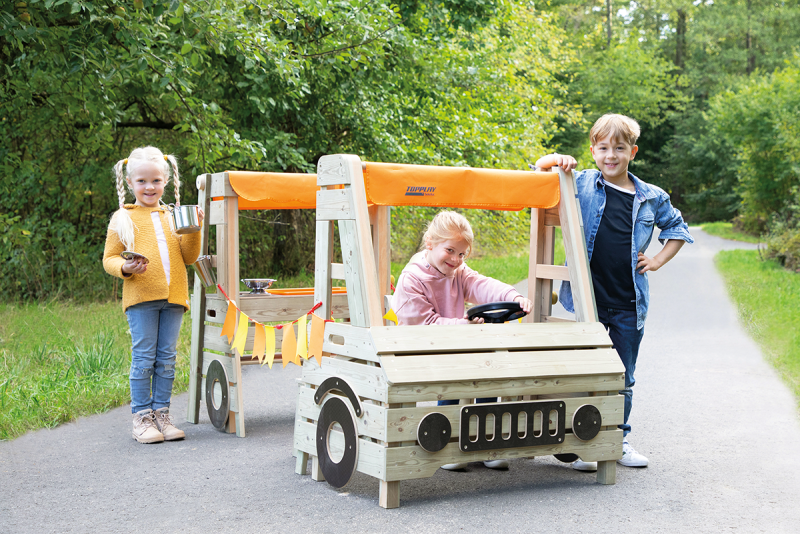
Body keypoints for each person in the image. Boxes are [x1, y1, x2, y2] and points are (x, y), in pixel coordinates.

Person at [534, 113, 694, 471]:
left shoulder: (651, 197)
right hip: (588, 301)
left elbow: (678, 229)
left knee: (623, 375)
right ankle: (583, 444)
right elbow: (537, 175)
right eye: (603, 148)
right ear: (593, 151)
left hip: (628, 303)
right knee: (586, 372)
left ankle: (616, 440)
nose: (611, 155)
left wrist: (656, 260)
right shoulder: (582, 182)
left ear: (632, 152)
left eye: (619, 148)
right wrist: (553, 161)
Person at [391, 210, 532, 470]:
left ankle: (486, 441)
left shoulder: (458, 271)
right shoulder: (412, 279)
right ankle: (445, 444)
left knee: (490, 369)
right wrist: (463, 325)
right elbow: (423, 326)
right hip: (419, 349)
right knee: (454, 376)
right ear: (430, 243)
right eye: (450, 251)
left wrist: (513, 296)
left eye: (462, 254)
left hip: (452, 345)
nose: (456, 260)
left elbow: (482, 285)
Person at [102, 146, 203, 444]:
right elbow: (109, 259)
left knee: (167, 358)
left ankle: (163, 415)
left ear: (166, 182)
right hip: (141, 299)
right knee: (144, 357)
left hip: (174, 298)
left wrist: (195, 228)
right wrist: (126, 266)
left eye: (156, 181)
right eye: (143, 181)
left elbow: (188, 256)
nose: (150, 187)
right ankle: (141, 419)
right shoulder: (123, 218)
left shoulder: (173, 215)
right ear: (130, 183)